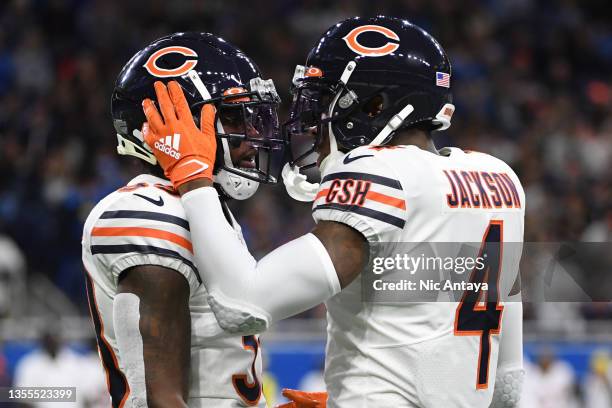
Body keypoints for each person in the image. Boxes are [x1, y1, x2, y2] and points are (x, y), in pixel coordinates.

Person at [142, 16, 525, 408]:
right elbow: (507, 386)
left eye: (324, 104)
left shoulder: (380, 171)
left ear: (375, 105)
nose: (313, 124)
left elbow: (243, 303)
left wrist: (194, 179)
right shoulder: (500, 178)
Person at [82, 32, 284, 407]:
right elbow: (162, 399)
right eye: (234, 116)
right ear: (177, 120)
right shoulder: (145, 211)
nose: (253, 134)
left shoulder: (197, 205)